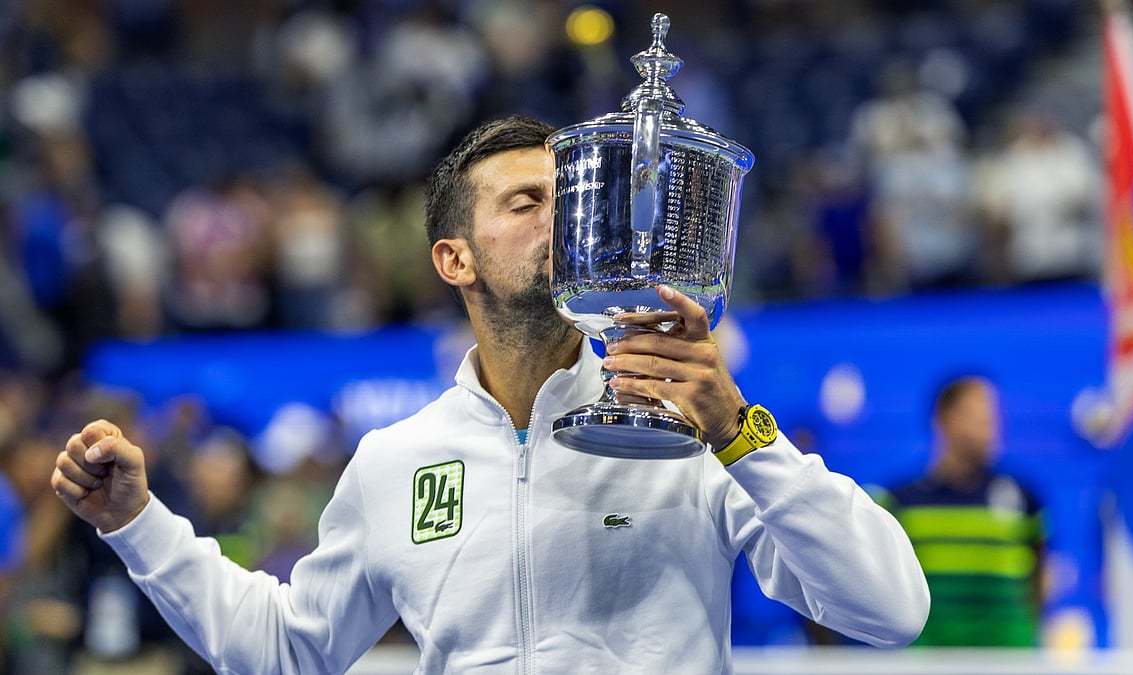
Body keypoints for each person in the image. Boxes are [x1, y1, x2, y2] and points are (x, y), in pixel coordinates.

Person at [50, 115, 929, 673]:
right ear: (453, 259)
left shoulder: (680, 430)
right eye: (526, 201)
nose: (566, 218)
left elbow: (891, 608)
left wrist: (743, 433)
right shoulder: (395, 461)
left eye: (573, 196)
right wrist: (137, 524)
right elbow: (285, 648)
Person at [876, 375, 1044, 647]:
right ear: (947, 420)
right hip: (931, 660)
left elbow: (1040, 576)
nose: (992, 429)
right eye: (981, 417)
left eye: (993, 418)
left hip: (1009, 660)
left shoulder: (1024, 497)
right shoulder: (898, 503)